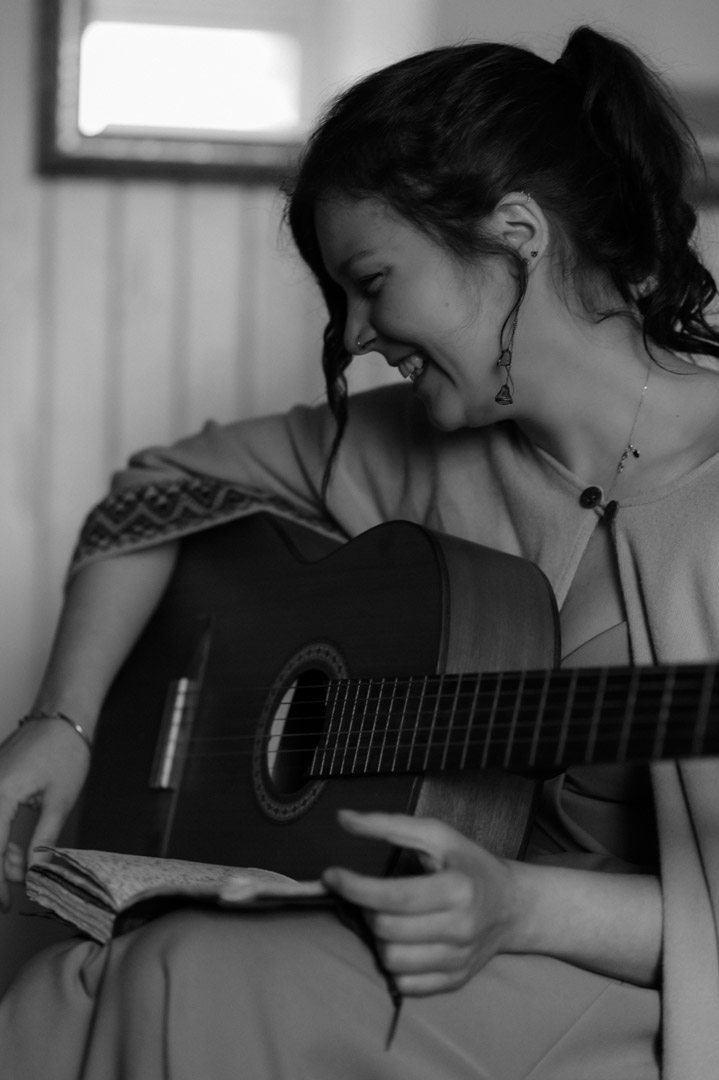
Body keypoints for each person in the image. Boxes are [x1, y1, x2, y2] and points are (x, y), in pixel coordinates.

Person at [1, 23, 718, 1079]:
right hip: (411, 948)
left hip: (625, 988)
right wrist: (62, 720)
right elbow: (158, 492)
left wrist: (513, 906)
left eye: (371, 280)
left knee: (173, 976)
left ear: (514, 232)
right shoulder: (411, 446)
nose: (352, 333)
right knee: (66, 982)